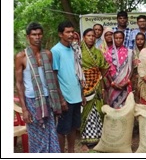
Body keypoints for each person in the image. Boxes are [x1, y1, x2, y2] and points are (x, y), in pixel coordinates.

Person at [14, 22, 66, 153]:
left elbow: (53, 78)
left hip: (48, 99)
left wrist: (60, 99)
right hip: (32, 101)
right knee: (36, 135)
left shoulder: (47, 54)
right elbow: (19, 83)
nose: (37, 37)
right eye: (34, 35)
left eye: (39, 34)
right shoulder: (21, 57)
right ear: (28, 37)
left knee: (50, 132)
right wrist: (24, 109)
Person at [51, 21, 86, 153]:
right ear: (60, 34)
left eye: (72, 31)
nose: (71, 34)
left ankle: (71, 152)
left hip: (76, 95)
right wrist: (60, 99)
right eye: (67, 32)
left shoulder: (74, 49)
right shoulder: (55, 51)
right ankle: (60, 153)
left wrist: (82, 94)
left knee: (73, 127)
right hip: (65, 97)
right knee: (62, 129)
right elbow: (54, 76)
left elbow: (79, 72)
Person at [79, 28, 109, 148]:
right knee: (85, 110)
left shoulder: (98, 52)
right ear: (84, 37)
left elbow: (105, 67)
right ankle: (86, 138)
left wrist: (99, 77)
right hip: (83, 85)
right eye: (88, 35)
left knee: (97, 109)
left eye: (93, 36)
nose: (91, 38)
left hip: (96, 85)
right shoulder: (78, 52)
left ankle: (97, 137)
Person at [103, 30, 133, 109]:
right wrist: (112, 83)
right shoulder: (107, 53)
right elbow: (106, 70)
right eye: (116, 38)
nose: (118, 40)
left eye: (120, 38)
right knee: (113, 109)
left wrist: (126, 82)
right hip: (112, 86)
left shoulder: (129, 52)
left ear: (123, 39)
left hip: (125, 86)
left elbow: (131, 69)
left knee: (125, 109)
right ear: (113, 39)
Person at [131, 32, 146, 103]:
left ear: (145, 40)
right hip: (134, 79)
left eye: (142, 39)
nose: (140, 41)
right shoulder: (132, 52)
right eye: (138, 39)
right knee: (135, 98)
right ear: (135, 41)